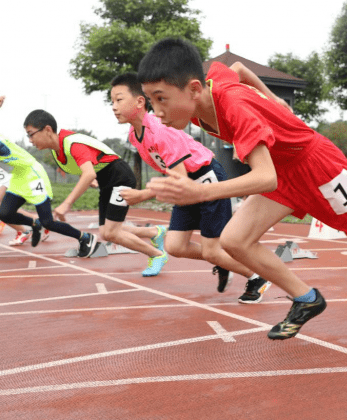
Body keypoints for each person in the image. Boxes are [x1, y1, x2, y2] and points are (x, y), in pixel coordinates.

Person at [138, 38, 347, 340]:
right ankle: (307, 299)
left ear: (193, 89)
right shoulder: (208, 90)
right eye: (151, 100)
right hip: (284, 174)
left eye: (161, 99)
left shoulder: (234, 108)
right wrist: (273, 97)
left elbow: (265, 178)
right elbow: (236, 69)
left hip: (318, 167)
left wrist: (201, 192)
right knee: (235, 240)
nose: (156, 111)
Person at [110, 72, 271, 301]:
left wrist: (142, 195)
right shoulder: (135, 135)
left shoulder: (160, 132)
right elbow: (173, 176)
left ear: (139, 102)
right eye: (111, 102)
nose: (114, 107)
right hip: (185, 185)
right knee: (175, 246)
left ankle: (257, 275)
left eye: (118, 100)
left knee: (212, 250)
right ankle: (221, 260)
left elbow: (180, 181)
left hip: (205, 177)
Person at [0, 96, 97, 257]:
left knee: (48, 221)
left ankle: (84, 237)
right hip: (18, 176)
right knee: (4, 213)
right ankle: (34, 224)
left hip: (33, 175)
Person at [22, 109, 168, 276]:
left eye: (31, 134)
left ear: (47, 129)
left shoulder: (72, 143)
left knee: (110, 232)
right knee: (107, 231)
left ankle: (157, 255)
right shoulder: (58, 151)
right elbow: (88, 168)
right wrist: (91, 178)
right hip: (107, 181)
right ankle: (154, 232)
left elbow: (89, 172)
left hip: (119, 177)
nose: (30, 140)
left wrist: (66, 203)